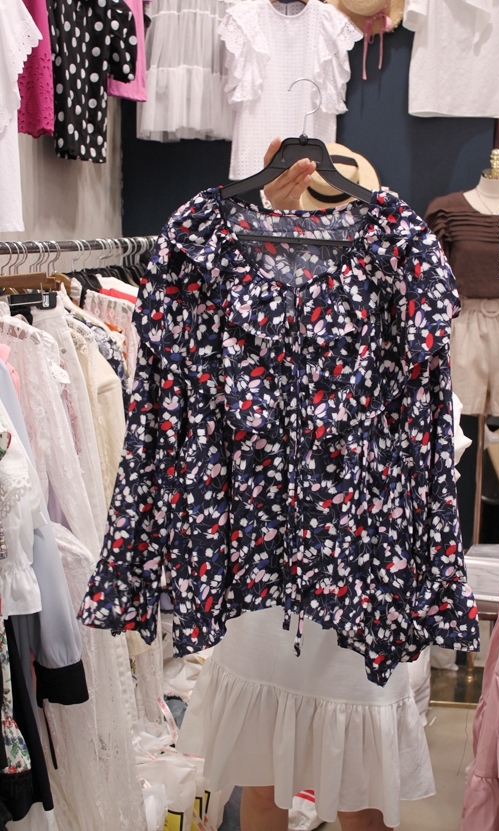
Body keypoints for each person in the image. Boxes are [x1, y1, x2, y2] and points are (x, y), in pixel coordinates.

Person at [176, 138, 437, 831]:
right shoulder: (234, 266)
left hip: (357, 569)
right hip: (263, 566)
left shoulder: (394, 271)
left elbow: (423, 416)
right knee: (261, 782)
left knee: (361, 793)